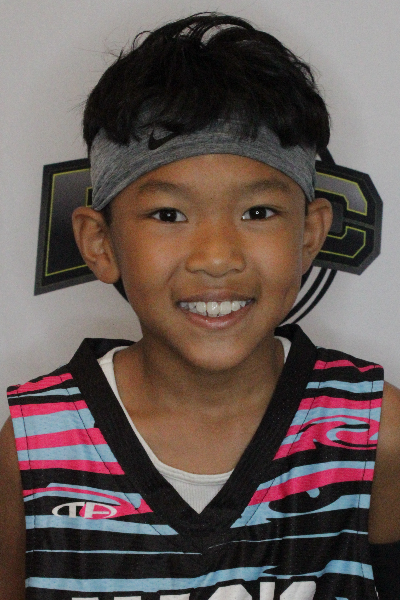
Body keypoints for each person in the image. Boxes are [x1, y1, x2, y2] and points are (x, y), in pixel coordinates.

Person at [0, 12, 399, 600]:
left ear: (310, 234)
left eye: (258, 212)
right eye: (169, 215)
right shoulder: (37, 444)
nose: (216, 257)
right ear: (100, 243)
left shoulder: (375, 434)